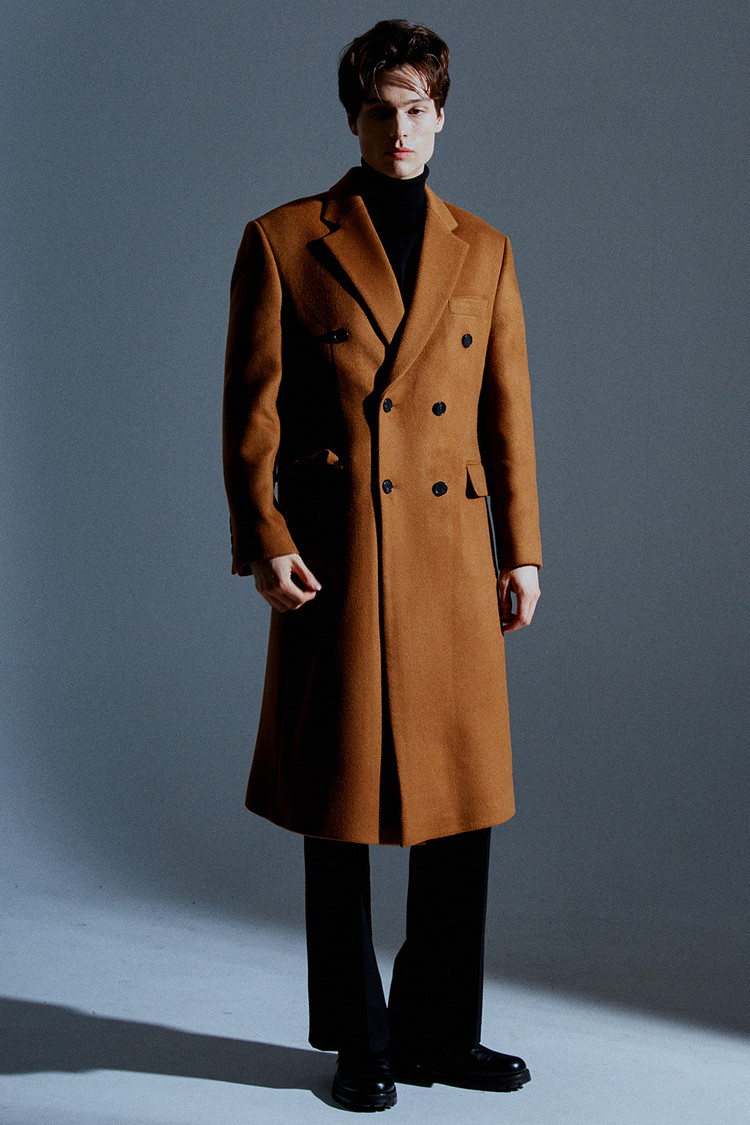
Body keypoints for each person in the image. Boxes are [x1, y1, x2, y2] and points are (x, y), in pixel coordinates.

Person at [223, 19, 542, 1113]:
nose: (399, 130)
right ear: (353, 120)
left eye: (416, 111)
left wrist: (523, 550)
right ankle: (359, 1041)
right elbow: (250, 414)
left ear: (441, 118)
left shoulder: (485, 248)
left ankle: (441, 1033)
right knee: (341, 807)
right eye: (378, 111)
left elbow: (508, 415)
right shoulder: (284, 241)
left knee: (459, 804)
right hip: (340, 557)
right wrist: (265, 538)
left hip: (453, 559)